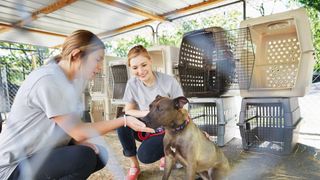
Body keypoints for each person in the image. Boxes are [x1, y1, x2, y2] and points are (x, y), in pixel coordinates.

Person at [0, 30, 154, 180]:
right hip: (14, 165)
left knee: (99, 155)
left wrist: (74, 141)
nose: (100, 67)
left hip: (40, 153)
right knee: (83, 158)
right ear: (76, 55)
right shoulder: (48, 80)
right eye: (97, 59)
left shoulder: (72, 80)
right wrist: (124, 120)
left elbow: (70, 126)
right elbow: (79, 131)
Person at [117, 45, 184, 180]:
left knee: (145, 156)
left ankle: (167, 153)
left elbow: (182, 111)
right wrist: (147, 114)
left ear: (150, 61)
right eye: (135, 68)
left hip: (166, 128)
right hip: (146, 123)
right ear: (130, 68)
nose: (140, 71)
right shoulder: (132, 84)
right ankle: (134, 166)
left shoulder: (169, 81)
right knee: (122, 121)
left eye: (144, 65)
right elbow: (128, 110)